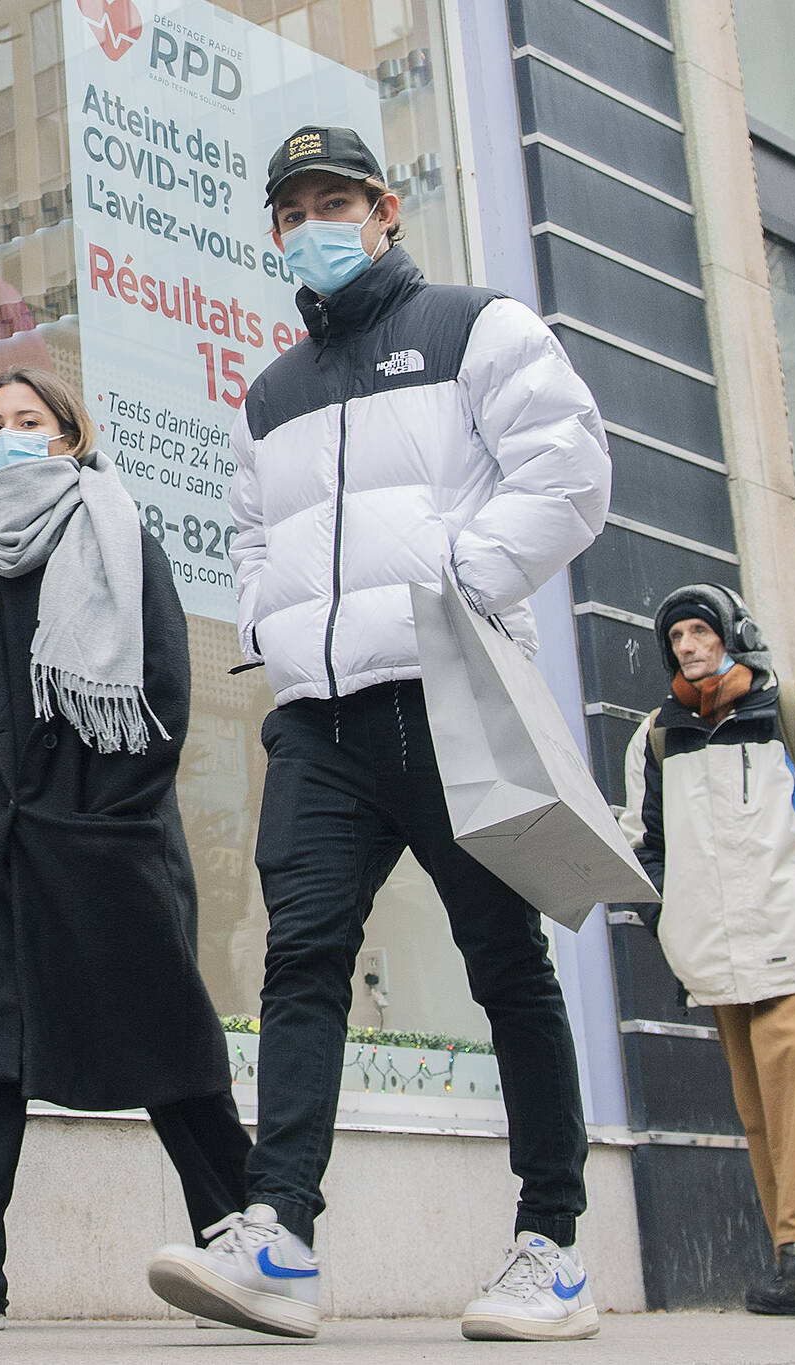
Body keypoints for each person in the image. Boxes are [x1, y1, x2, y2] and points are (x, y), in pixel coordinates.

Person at [170, 125, 613, 1342]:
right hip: (318, 720)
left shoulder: (480, 327)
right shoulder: (267, 394)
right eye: (292, 208)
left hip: (452, 696)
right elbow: (251, 539)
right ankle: (279, 1239)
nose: (314, 223)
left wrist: (454, 583)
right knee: (299, 958)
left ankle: (550, 1245)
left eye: (335, 200)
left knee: (502, 965)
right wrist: (271, 625)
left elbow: (569, 471)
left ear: (384, 207)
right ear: (273, 233)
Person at [0, 369, 252, 1331]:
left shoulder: (113, 533)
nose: (11, 436)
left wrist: (103, 817)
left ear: (70, 434)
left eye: (30, 420)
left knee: (166, 1043)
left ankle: (249, 1242)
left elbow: (161, 691)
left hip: (102, 839)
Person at [620, 583, 795, 1316]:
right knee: (761, 1112)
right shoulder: (655, 736)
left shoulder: (791, 709)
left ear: (732, 633)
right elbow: (643, 848)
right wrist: (675, 925)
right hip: (717, 960)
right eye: (675, 636)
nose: (687, 645)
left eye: (698, 631)